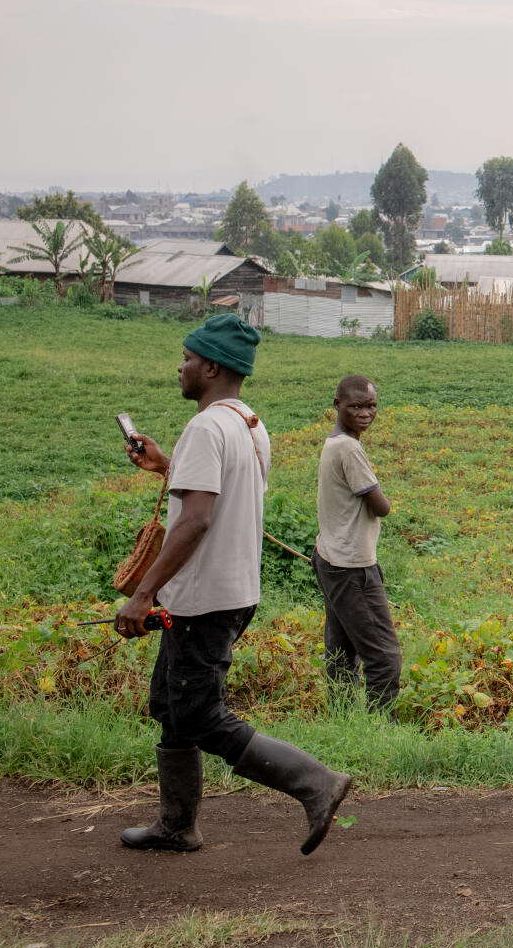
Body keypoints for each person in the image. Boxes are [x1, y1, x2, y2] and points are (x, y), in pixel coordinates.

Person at [116, 315, 354, 855]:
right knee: (170, 703)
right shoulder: (248, 423)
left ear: (211, 366)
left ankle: (317, 783)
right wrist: (164, 466)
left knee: (199, 713)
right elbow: (217, 490)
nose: (179, 367)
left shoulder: (205, 426)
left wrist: (143, 592)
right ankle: (177, 826)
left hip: (202, 599)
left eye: (186, 358)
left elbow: (197, 519)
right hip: (234, 591)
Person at [315, 375, 400, 712]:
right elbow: (382, 506)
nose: (365, 413)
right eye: (356, 406)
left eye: (371, 406)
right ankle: (382, 728)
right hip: (352, 565)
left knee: (341, 651)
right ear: (337, 406)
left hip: (330, 557)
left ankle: (343, 718)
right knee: (384, 655)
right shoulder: (349, 448)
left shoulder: (334, 441)